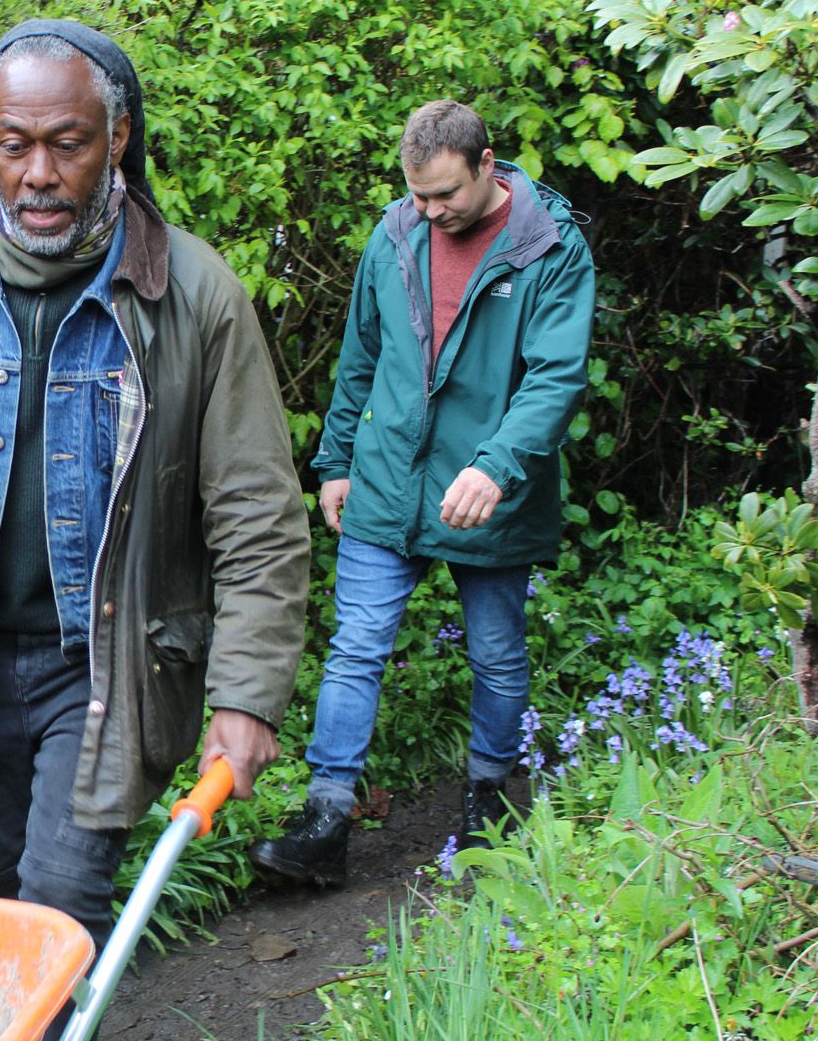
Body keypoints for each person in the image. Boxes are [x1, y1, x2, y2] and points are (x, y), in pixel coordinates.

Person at [0, 19, 309, 959]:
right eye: (14, 144)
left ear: (115, 139)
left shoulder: (190, 295)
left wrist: (246, 693)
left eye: (67, 144)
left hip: (106, 665)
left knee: (54, 912)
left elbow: (257, 517)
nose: (39, 173)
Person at [251, 100, 595, 886]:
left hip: (488, 489)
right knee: (356, 649)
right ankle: (325, 821)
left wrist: (499, 464)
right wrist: (335, 460)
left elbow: (556, 376)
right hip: (387, 479)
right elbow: (360, 357)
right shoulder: (397, 232)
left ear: (487, 163)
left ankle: (486, 799)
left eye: (446, 195)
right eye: (419, 196)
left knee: (499, 656)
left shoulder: (550, 248)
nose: (433, 212)